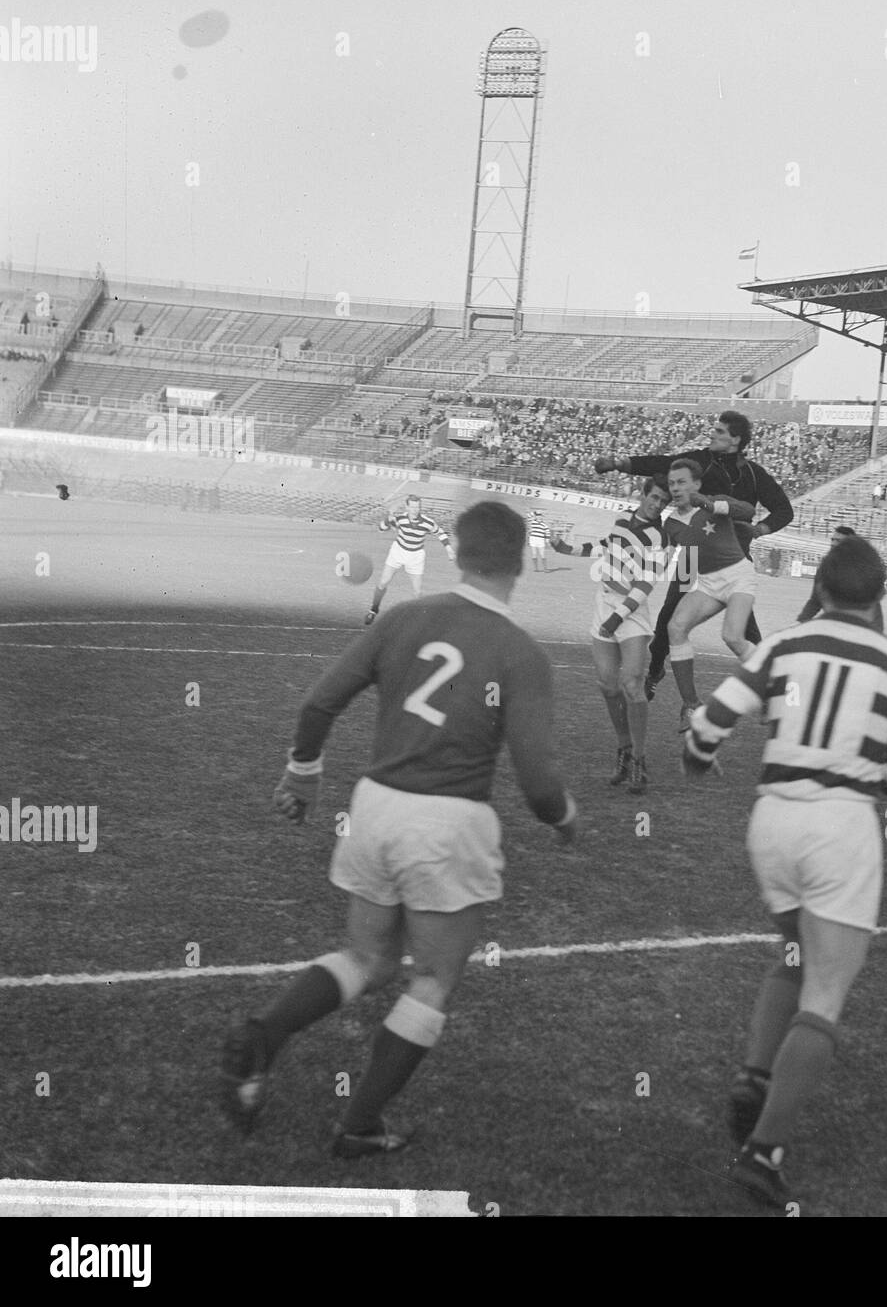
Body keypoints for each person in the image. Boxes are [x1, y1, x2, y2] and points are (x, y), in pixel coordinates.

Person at [219, 502, 577, 1157]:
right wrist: (563, 818)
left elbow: (319, 700)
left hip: (374, 807)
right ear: (521, 557)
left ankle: (262, 1039)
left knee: (368, 957)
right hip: (449, 822)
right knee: (431, 980)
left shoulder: (405, 618)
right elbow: (537, 777)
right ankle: (358, 1124)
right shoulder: (520, 652)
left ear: (459, 552)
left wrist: (302, 773)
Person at [681, 536, 887, 1209]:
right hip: (838, 827)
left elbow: (709, 723)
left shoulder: (782, 644)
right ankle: (763, 1154)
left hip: (771, 823)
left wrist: (697, 759)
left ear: (818, 588)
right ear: (880, 598)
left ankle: (754, 1076)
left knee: (791, 951)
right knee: (824, 993)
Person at [593, 411, 794, 698]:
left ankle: (769, 688)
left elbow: (785, 510)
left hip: (732, 558)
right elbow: (662, 464)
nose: (712, 433)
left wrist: (760, 529)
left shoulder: (754, 474)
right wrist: (619, 464)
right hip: (691, 557)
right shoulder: (701, 460)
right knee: (670, 614)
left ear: (735, 439)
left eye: (720, 431)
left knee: (747, 631)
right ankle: (654, 672)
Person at [661, 457, 759, 732]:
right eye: (671, 483)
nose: (676, 488)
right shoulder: (671, 523)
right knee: (676, 627)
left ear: (697, 484)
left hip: (738, 575)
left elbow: (748, 509)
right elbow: (666, 557)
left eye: (682, 482)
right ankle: (691, 705)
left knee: (732, 636)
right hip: (707, 584)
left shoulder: (714, 502)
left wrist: (710, 504)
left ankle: (776, 682)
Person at [591, 475, 671, 794]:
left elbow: (645, 584)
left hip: (631, 612)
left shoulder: (659, 538)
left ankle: (638, 759)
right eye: (654, 497)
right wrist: (568, 547)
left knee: (632, 685)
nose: (657, 504)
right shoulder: (621, 520)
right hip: (604, 602)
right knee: (608, 685)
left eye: (663, 501)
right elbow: (603, 546)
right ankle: (624, 750)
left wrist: (616, 618)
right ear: (643, 494)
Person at [365, 494, 454, 625]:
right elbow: (381, 529)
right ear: (407, 507)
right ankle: (373, 610)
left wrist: (449, 549)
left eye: (417, 507)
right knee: (383, 582)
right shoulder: (400, 519)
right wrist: (388, 520)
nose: (415, 509)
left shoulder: (427, 522)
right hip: (398, 551)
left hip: (416, 556)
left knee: (417, 591)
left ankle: (417, 618)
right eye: (412, 507)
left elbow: (440, 533)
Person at [796, 527, 883, 632]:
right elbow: (815, 600)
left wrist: (876, 633)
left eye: (839, 540)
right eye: (832, 539)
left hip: (862, 629)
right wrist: (801, 621)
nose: (833, 543)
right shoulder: (825, 567)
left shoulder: (863, 569)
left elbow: (873, 605)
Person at [527, 508, 551, 573]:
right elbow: (528, 516)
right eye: (538, 516)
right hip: (533, 539)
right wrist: (535, 512)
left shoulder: (544, 525)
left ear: (542, 517)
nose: (539, 517)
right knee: (534, 554)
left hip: (541, 540)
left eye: (540, 516)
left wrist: (547, 540)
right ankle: (536, 568)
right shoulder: (532, 522)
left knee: (542, 554)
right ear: (536, 517)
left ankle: (545, 568)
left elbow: (547, 533)